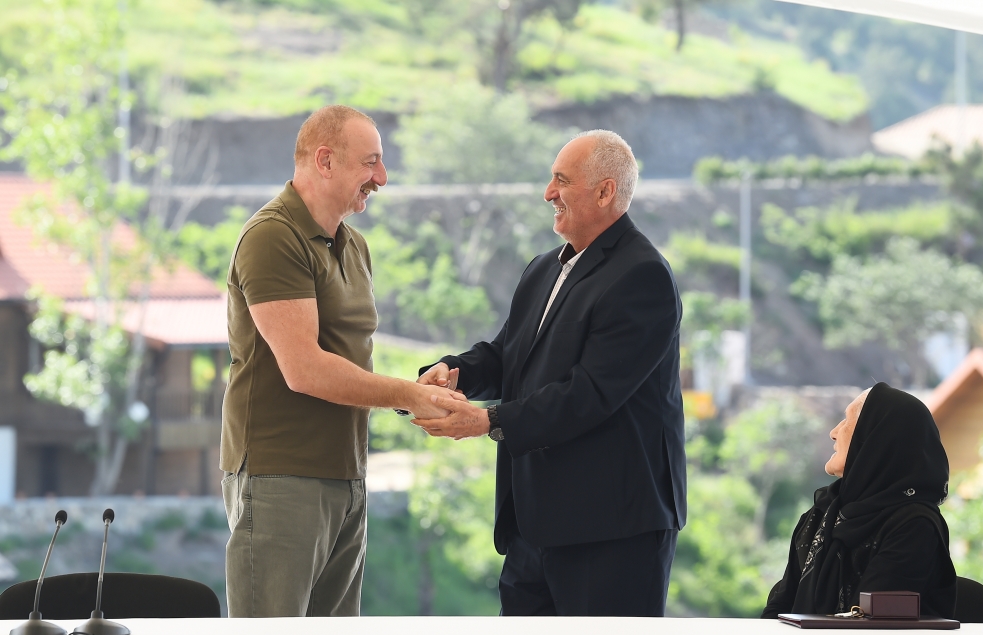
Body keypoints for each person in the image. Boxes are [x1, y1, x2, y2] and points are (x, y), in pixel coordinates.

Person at [411, 129, 686, 616]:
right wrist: (453, 372)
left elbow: (590, 394)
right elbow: (508, 356)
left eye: (562, 180)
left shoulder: (643, 275)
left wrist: (488, 421)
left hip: (612, 532)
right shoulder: (542, 268)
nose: (548, 193)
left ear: (605, 192)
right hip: (532, 527)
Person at [220, 105, 461, 618]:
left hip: (347, 475)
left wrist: (420, 387)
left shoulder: (355, 246)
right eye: (370, 162)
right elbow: (304, 368)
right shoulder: (272, 236)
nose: (382, 177)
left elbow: (350, 359)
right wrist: (409, 395)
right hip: (280, 476)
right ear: (325, 160)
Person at [761, 382, 956, 619]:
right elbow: (780, 607)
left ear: (876, 439)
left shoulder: (914, 525)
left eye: (847, 422)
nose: (834, 432)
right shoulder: (822, 514)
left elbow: (867, 621)